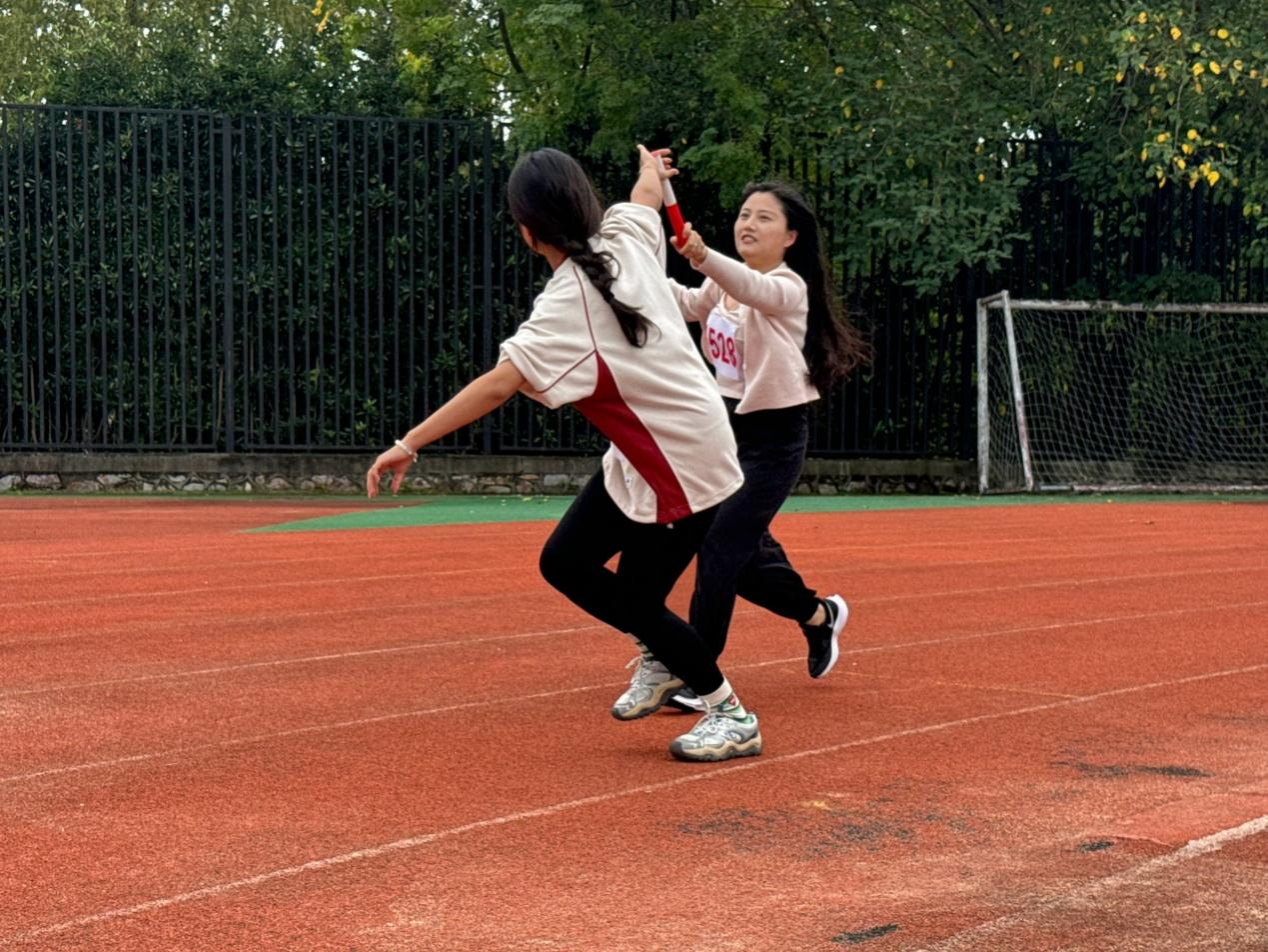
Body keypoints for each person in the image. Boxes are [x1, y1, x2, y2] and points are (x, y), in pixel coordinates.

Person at [366, 146, 762, 762]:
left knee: (637, 602)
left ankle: (730, 714)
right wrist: (651, 169)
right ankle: (662, 659)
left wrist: (407, 443)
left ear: (526, 232)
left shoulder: (564, 305)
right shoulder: (624, 234)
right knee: (566, 561)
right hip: (651, 448)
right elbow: (644, 198)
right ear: (585, 201)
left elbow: (498, 384)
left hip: (682, 459)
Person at [660, 181, 870, 710]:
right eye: (744, 214)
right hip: (725, 435)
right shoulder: (722, 286)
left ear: (791, 236)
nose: (748, 224)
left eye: (763, 217)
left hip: (774, 442)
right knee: (744, 561)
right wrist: (626, 270)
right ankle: (819, 616)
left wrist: (702, 256)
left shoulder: (788, 287)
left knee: (718, 551)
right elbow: (684, 303)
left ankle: (699, 675)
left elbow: (753, 288)